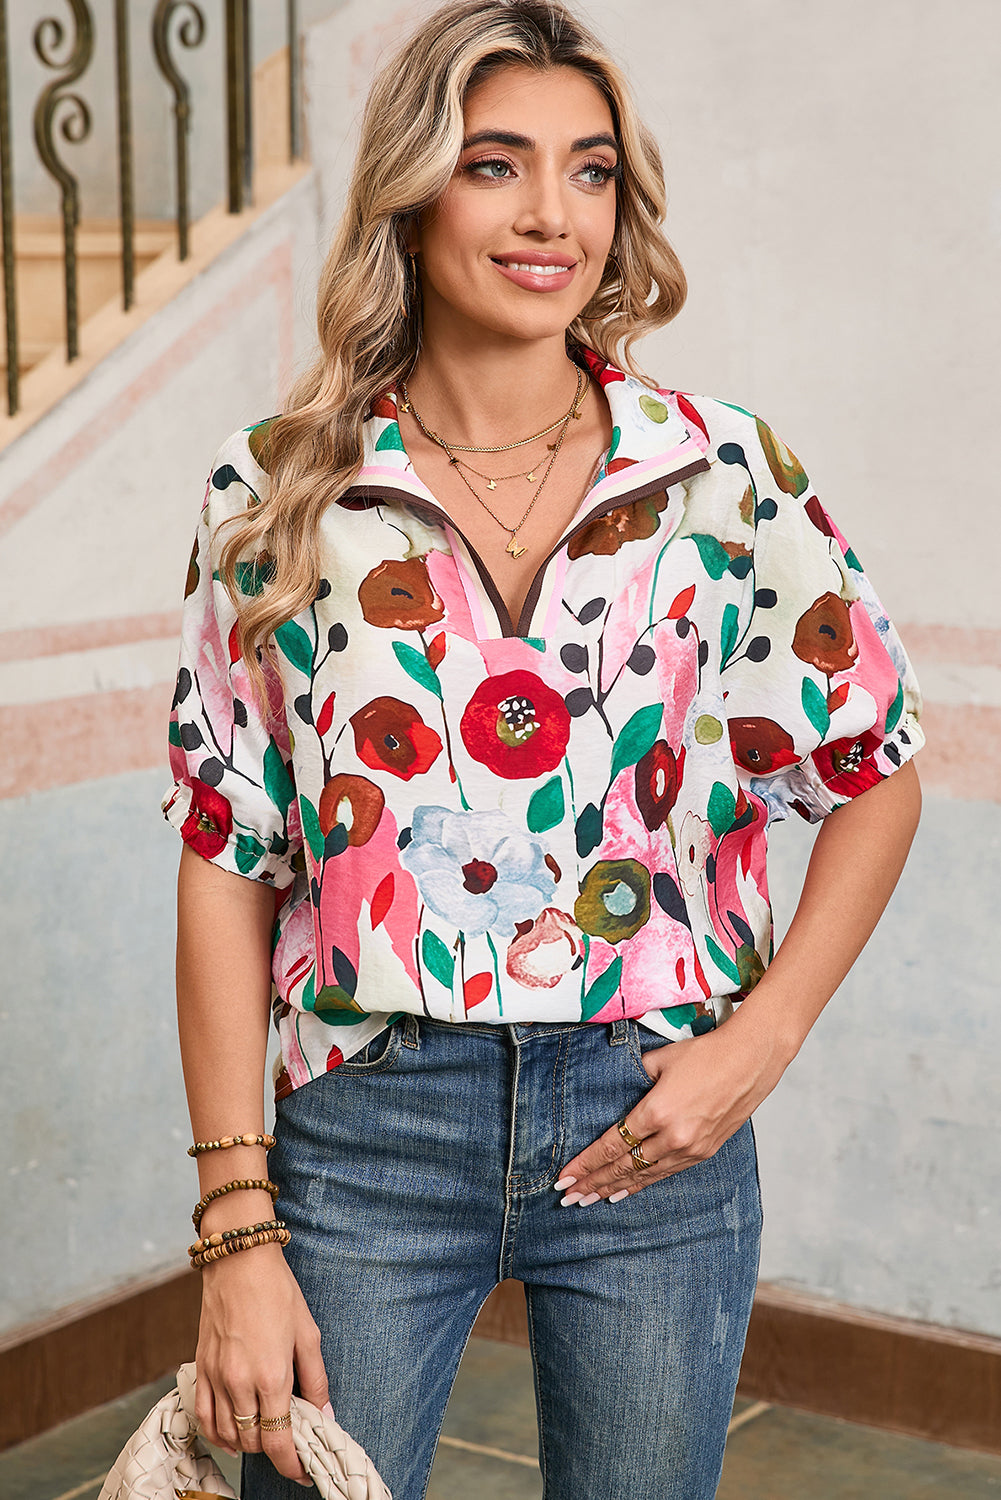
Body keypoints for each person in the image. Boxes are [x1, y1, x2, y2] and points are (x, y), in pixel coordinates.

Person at [162, 2, 924, 1496]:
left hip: (651, 1115)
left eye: (589, 173)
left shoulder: (720, 476)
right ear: (411, 189)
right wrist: (236, 1230)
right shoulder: (284, 497)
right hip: (366, 1128)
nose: (547, 215)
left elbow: (875, 765)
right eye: (495, 163)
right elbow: (224, 857)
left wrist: (757, 1048)